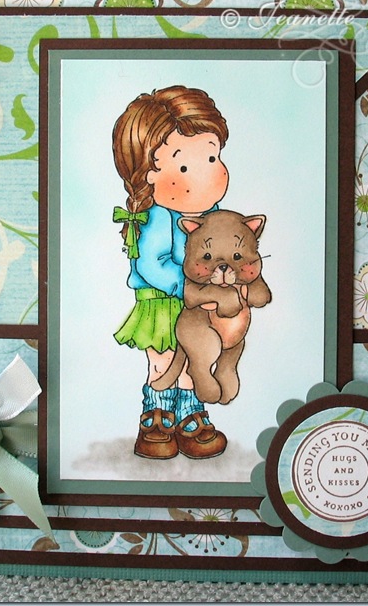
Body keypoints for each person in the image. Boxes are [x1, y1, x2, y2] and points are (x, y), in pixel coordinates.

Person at [112, 85, 230, 460]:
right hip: (163, 303)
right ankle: (158, 420)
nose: (205, 175)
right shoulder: (159, 218)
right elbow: (150, 264)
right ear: (149, 174)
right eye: (183, 166)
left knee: (196, 360)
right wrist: (187, 286)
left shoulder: (211, 215)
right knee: (163, 360)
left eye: (211, 158)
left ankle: (190, 418)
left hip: (197, 306)